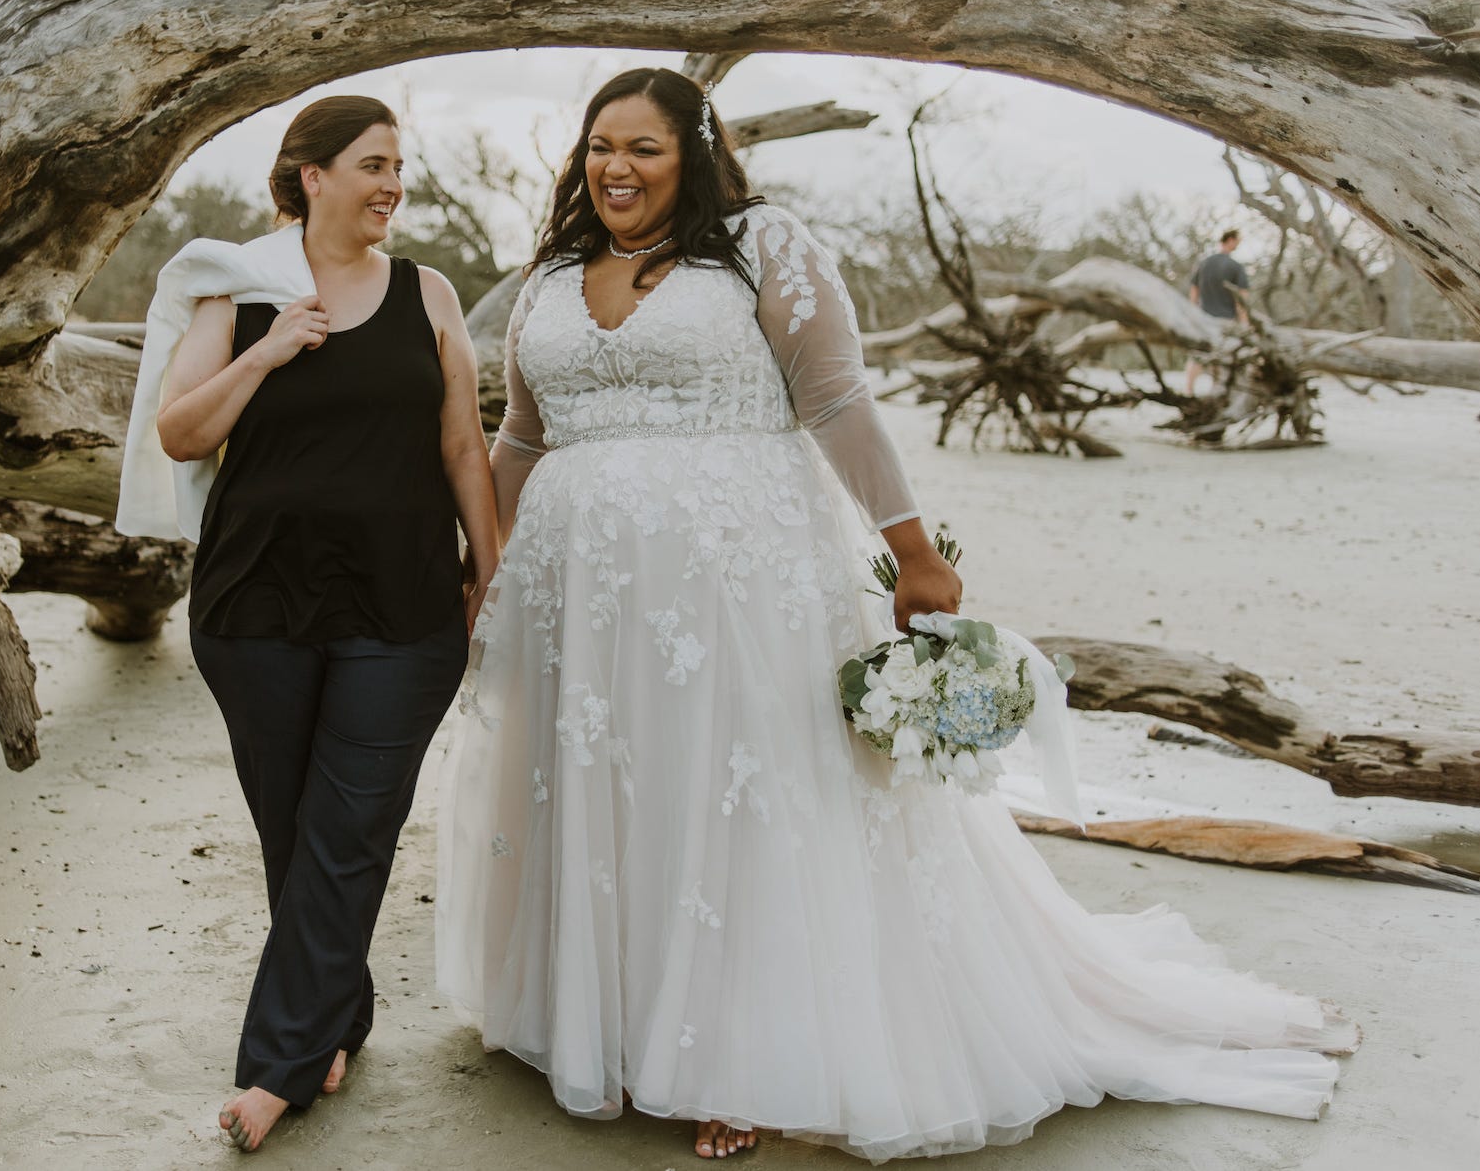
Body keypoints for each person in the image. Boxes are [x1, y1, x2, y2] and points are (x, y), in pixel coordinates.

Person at [435, 68, 1354, 1162]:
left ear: (694, 150)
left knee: (737, 800)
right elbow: (526, 437)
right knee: (611, 793)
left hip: (739, 586)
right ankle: (611, 1020)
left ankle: (738, 1050)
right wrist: (482, 562)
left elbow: (834, 400)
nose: (615, 169)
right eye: (598, 147)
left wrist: (910, 548)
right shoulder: (548, 275)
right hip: (575, 595)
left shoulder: (762, 246)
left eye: (641, 147)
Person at [147, 96, 498, 1152]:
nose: (392, 183)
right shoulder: (239, 287)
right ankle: (336, 1015)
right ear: (310, 176)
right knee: (293, 830)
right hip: (255, 605)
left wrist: (491, 567)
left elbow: (462, 448)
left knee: (348, 831)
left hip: (401, 605)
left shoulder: (429, 294)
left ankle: (277, 1068)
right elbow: (177, 432)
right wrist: (267, 352)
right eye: (372, 163)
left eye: (399, 165)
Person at [1183, 228, 1252, 396]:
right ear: (1230, 240)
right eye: (1238, 241)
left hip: (1203, 317)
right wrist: (1245, 322)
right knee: (1221, 355)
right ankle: (1216, 389)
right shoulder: (1235, 267)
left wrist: (1193, 311)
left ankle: (1189, 390)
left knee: (1199, 354)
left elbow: (1193, 289)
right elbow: (1241, 299)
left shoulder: (1204, 263)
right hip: (1225, 320)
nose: (1238, 244)